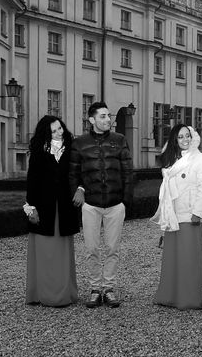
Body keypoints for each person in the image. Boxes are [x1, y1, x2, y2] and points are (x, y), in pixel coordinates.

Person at [69, 101, 133, 308]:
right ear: (92, 119)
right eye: (103, 116)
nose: (108, 120)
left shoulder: (120, 140)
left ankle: (110, 289)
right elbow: (73, 173)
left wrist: (126, 200)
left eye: (109, 116)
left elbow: (128, 172)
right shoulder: (79, 143)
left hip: (115, 204)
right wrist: (78, 189)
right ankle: (96, 289)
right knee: (91, 249)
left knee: (113, 248)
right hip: (91, 204)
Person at [151, 125, 202, 310]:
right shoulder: (170, 159)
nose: (185, 139)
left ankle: (189, 298)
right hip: (173, 213)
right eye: (180, 137)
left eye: (188, 135)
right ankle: (170, 295)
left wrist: (198, 213)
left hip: (189, 214)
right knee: (172, 258)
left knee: (189, 259)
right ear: (174, 140)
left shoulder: (201, 159)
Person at [24, 115, 79, 307]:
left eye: (60, 128)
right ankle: (40, 293)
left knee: (62, 253)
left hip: (65, 209)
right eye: (53, 131)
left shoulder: (72, 149)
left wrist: (80, 189)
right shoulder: (39, 151)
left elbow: (79, 174)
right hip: (43, 209)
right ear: (46, 133)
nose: (58, 133)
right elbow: (32, 182)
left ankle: (64, 293)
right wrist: (30, 209)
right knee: (44, 252)